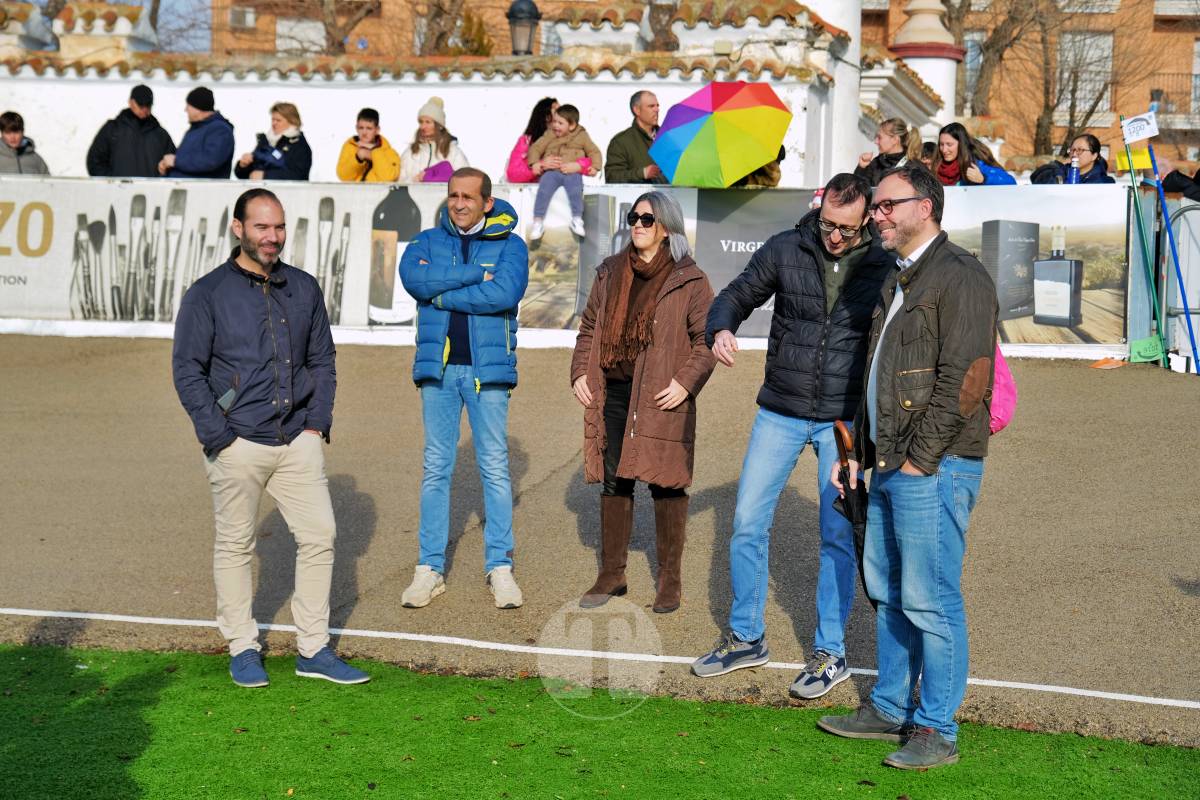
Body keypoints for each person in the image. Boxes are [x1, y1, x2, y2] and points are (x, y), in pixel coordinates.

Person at [818, 163, 997, 770]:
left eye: (888, 205)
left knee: (932, 598)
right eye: (877, 207)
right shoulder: (898, 278)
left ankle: (936, 728)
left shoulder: (961, 276)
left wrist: (920, 460)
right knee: (891, 594)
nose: (877, 215)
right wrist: (859, 459)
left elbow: (967, 379)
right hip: (890, 463)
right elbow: (882, 379)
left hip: (936, 466)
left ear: (925, 206)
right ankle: (890, 706)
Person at [690, 173, 894, 699]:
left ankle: (831, 653)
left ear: (867, 218)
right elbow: (738, 293)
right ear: (818, 210)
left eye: (846, 229)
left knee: (836, 535)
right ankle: (746, 637)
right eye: (828, 223)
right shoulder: (786, 247)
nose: (834, 236)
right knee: (746, 523)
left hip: (842, 420)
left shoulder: (883, 264)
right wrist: (722, 327)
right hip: (779, 409)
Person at [171, 187, 369, 688]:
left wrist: (316, 422)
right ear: (238, 228)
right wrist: (219, 434)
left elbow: (322, 360)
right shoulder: (207, 293)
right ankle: (242, 646)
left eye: (278, 227)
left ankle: (313, 649)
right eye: (261, 227)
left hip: (297, 439)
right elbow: (187, 370)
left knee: (320, 536)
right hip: (237, 442)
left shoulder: (302, 287)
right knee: (235, 545)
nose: (272, 237)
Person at [571, 191, 716, 613]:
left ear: (666, 227)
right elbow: (589, 329)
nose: (638, 224)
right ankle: (611, 574)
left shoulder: (690, 279)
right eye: (634, 217)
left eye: (647, 219)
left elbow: (705, 341)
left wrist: (686, 383)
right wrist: (580, 370)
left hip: (661, 395)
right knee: (615, 479)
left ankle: (670, 581)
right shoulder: (610, 272)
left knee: (667, 483)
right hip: (614, 392)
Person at [397, 168, 529, 610]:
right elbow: (414, 280)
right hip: (438, 370)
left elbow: (503, 296)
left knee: (494, 466)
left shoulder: (512, 246)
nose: (459, 203)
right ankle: (429, 568)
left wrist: (442, 290)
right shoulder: (426, 242)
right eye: (453, 195)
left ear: (487, 202)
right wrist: (475, 275)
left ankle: (500, 566)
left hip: (486, 372)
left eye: (468, 197)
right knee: (436, 467)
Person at [527, 104, 603, 240]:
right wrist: (535, 163)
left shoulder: (582, 136)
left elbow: (594, 151)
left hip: (572, 173)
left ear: (572, 125)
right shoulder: (549, 134)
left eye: (560, 123)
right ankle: (538, 221)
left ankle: (577, 218)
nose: (555, 125)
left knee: (575, 190)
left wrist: (596, 167)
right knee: (543, 190)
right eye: (554, 122)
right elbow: (536, 148)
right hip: (552, 172)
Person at [86, 85, 175, 178]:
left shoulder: (161, 135)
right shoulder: (112, 129)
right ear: (130, 102)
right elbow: (95, 162)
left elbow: (173, 165)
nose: (144, 109)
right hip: (118, 190)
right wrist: (112, 181)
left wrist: (161, 178)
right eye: (141, 105)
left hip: (151, 191)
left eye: (148, 105)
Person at [159, 87, 235, 179]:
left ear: (197, 108)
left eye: (188, 105)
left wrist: (175, 161)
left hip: (203, 191)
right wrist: (167, 167)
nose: (185, 109)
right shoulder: (195, 129)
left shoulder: (220, 130)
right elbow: (184, 159)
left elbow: (210, 161)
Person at [234, 102, 312, 181]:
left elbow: (298, 175)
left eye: (278, 120)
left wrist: (265, 176)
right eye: (273, 119)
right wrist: (243, 165)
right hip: (259, 190)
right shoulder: (265, 142)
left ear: (292, 121)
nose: (274, 123)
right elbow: (245, 175)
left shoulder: (299, 146)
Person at [399, 97, 469, 184]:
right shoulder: (410, 152)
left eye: (428, 122)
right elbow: (399, 183)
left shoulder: (453, 151)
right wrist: (414, 180)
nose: (423, 127)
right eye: (421, 122)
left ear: (439, 126)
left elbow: (464, 180)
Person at [605, 90, 666, 184]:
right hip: (639, 197)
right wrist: (642, 173)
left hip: (672, 196)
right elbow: (612, 176)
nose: (657, 109)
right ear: (637, 110)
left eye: (657, 106)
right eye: (651, 106)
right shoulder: (621, 141)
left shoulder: (667, 137)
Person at [934, 122, 1014, 186]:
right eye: (941, 144)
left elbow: (1011, 182)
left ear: (961, 144)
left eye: (949, 144)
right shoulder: (935, 165)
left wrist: (983, 179)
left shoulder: (975, 165)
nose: (944, 150)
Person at [336, 107, 401, 183]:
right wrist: (358, 157)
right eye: (361, 128)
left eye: (369, 128)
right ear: (356, 128)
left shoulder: (389, 152)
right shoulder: (350, 147)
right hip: (354, 193)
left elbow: (388, 177)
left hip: (377, 193)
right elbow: (343, 176)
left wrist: (374, 151)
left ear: (377, 130)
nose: (364, 132)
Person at [855, 118, 922, 186]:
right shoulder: (877, 162)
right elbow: (858, 190)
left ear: (895, 139)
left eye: (880, 137)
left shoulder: (913, 167)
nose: (876, 141)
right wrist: (861, 168)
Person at [506, 97, 557, 183]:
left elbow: (584, 162)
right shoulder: (526, 141)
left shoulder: (570, 139)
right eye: (557, 110)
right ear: (547, 117)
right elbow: (513, 174)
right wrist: (540, 165)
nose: (563, 113)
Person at [1030, 134, 1115, 184]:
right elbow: (1035, 179)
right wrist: (1058, 174)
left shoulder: (1104, 182)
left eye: (1080, 150)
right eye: (1072, 150)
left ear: (1094, 156)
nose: (1074, 154)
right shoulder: (1060, 172)